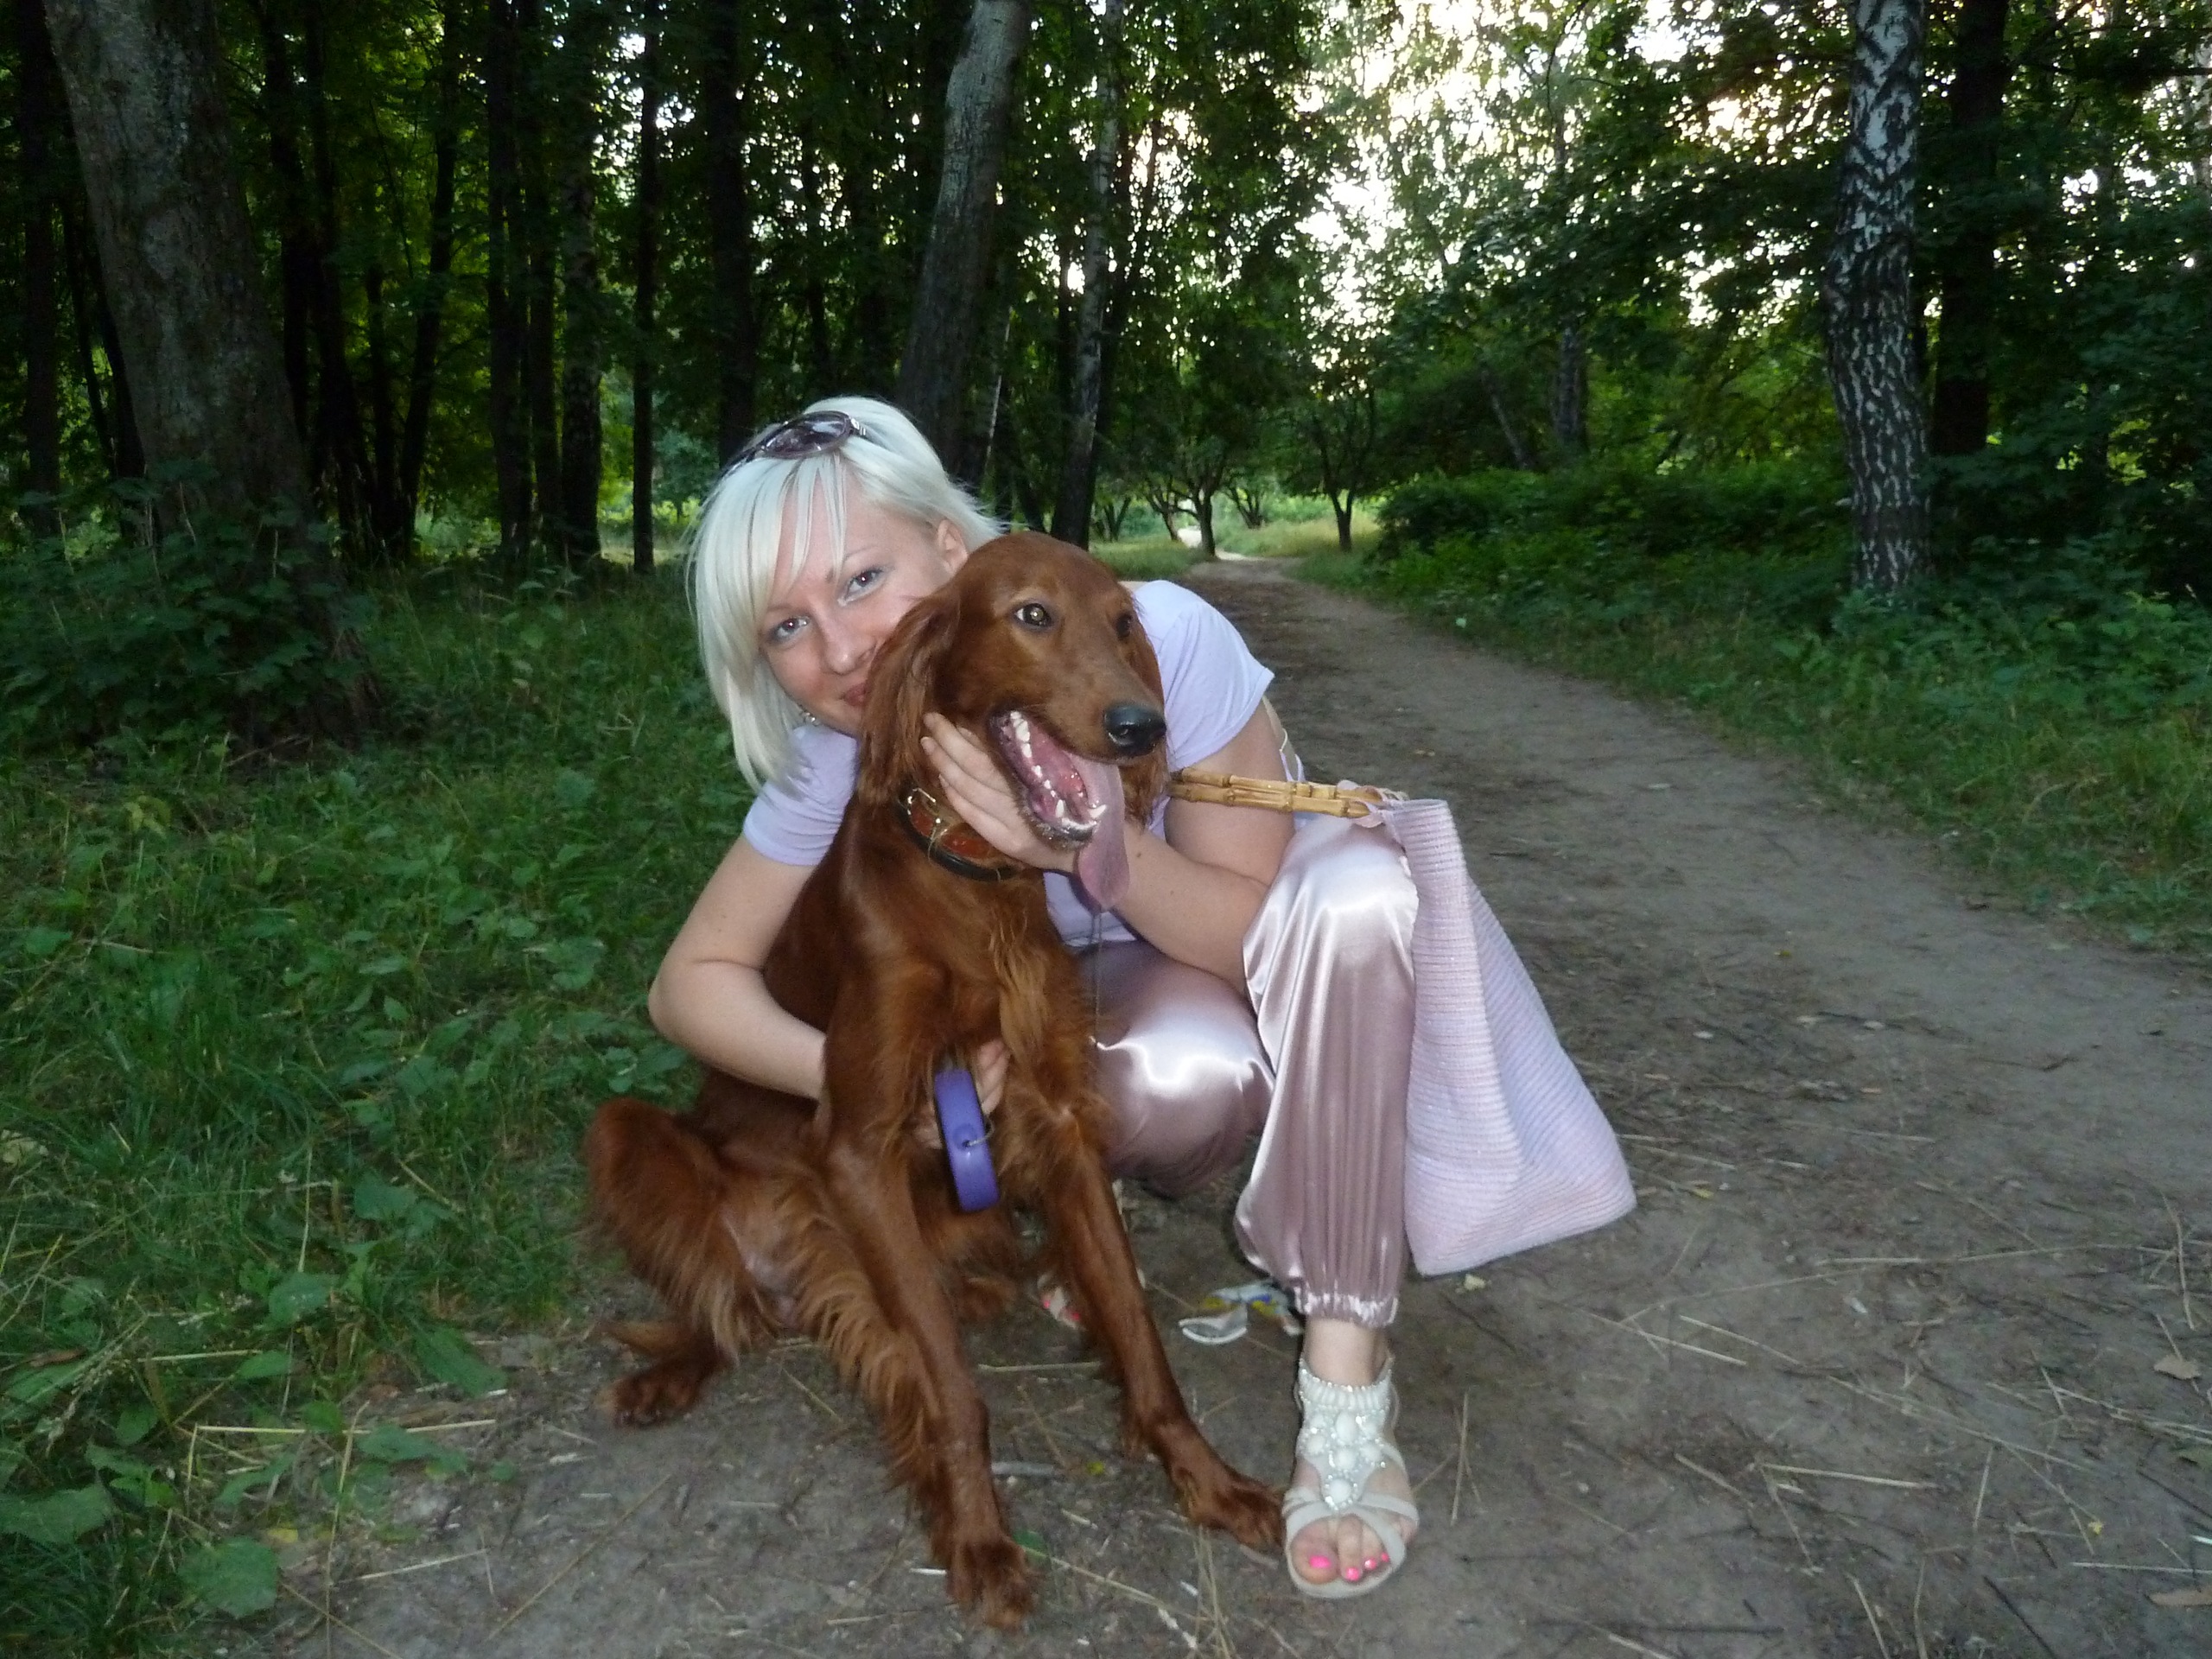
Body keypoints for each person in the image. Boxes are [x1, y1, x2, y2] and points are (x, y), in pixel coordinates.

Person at [649, 395, 1421, 1597]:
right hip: (957, 1057)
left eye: (861, 581)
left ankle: (1322, 1368)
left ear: (946, 547)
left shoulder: (1153, 638)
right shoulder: (847, 747)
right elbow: (688, 986)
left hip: (1199, 966)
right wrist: (885, 1086)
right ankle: (989, 1343)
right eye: (787, 626)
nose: (840, 651)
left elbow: (1248, 942)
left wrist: (1061, 843)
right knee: (1012, 1116)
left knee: (1174, 1071)